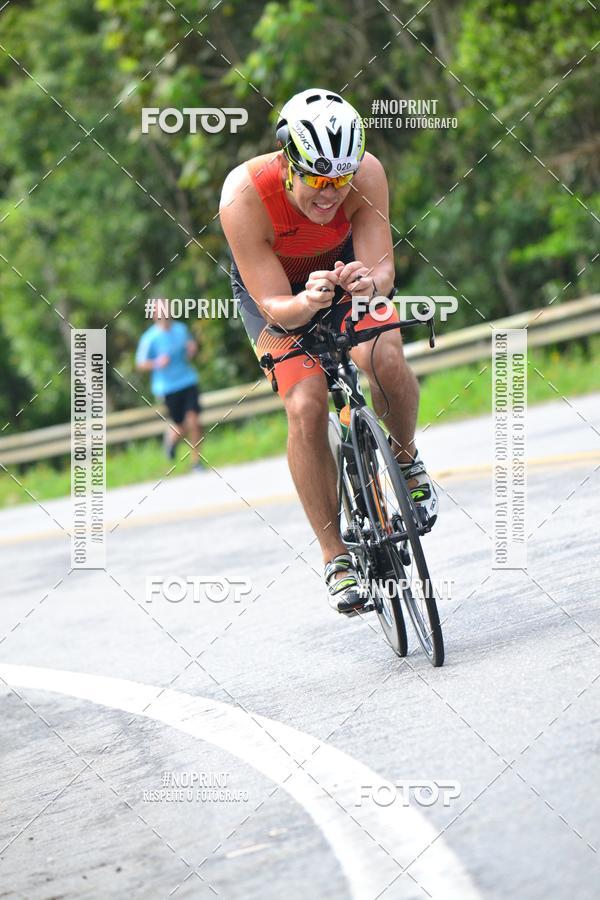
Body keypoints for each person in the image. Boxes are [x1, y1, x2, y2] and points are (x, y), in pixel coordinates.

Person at [219, 87, 438, 614]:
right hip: (274, 296)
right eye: (317, 179)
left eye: (340, 180)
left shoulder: (366, 174)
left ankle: (406, 462)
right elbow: (274, 305)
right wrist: (305, 301)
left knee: (383, 357)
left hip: (344, 276)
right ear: (288, 162)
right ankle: (334, 555)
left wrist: (368, 282)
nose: (330, 194)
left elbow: (383, 269)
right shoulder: (243, 195)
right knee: (307, 403)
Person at [135, 303, 203, 470]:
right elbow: (140, 364)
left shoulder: (181, 329)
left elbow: (189, 351)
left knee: (194, 420)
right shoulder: (149, 338)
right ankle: (171, 441)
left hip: (187, 380)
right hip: (167, 387)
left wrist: (192, 350)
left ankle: (196, 462)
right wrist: (157, 362)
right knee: (180, 426)